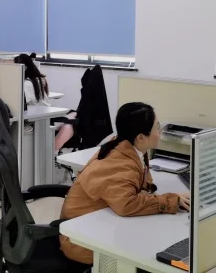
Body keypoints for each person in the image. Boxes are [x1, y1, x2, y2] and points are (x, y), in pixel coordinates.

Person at [59, 102, 191, 265]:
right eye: (157, 127)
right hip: (81, 242)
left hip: (96, 226)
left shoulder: (126, 147)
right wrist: (170, 201)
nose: (160, 132)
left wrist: (167, 198)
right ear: (141, 138)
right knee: (153, 250)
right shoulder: (120, 163)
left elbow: (143, 184)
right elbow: (127, 204)